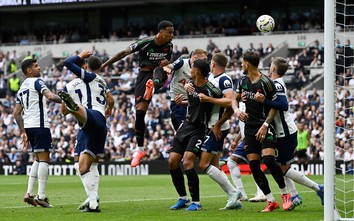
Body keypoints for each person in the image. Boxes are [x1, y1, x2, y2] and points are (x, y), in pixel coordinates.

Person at [101, 20, 174, 167]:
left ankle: (153, 86)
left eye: (173, 32)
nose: (172, 35)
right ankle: (140, 150)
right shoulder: (146, 42)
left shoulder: (169, 46)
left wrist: (166, 64)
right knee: (139, 114)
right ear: (161, 32)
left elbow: (167, 62)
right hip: (143, 76)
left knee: (159, 70)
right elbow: (123, 53)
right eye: (169, 32)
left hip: (159, 73)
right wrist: (104, 65)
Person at [254, 57, 324, 208]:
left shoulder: (277, 84)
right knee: (281, 166)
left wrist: (263, 101)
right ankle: (295, 196)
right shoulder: (275, 83)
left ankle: (318, 188)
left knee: (282, 169)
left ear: (273, 68)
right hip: (283, 131)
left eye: (271, 65)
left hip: (285, 132)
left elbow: (283, 105)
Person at [233, 51, 291, 212]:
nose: (241, 65)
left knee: (269, 160)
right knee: (253, 165)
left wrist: (265, 125)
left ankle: (285, 194)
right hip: (249, 128)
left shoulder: (266, 82)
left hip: (264, 125)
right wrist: (237, 110)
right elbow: (234, 99)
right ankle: (271, 200)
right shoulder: (242, 81)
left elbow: (274, 106)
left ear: (247, 64)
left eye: (242, 62)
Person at [59, 49, 114, 212]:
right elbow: (111, 100)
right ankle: (94, 197)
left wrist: (81, 55)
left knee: (81, 167)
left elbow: (63, 112)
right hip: (101, 124)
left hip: (89, 120)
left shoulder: (74, 83)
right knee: (92, 164)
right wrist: (109, 109)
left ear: (84, 67)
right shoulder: (102, 80)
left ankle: (76, 107)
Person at [168, 59, 222, 211]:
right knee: (172, 161)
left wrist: (218, 123)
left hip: (199, 129)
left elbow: (227, 102)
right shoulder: (190, 84)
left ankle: (196, 202)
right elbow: (194, 102)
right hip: (185, 126)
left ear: (197, 71)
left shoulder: (211, 89)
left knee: (187, 162)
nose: (190, 69)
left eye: (192, 68)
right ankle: (183, 199)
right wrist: (183, 102)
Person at [13, 58, 62, 208]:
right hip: (40, 125)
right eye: (36, 66)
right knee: (45, 159)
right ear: (29, 70)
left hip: (29, 127)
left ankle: (29, 193)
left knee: (37, 158)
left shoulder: (22, 88)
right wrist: (69, 101)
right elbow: (51, 96)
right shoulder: (37, 81)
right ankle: (41, 196)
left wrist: (23, 132)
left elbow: (16, 113)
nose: (39, 68)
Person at [196, 53, 242, 209]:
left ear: (213, 64)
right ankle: (235, 198)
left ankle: (233, 192)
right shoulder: (211, 79)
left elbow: (230, 102)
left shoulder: (224, 79)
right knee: (214, 165)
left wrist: (217, 124)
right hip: (211, 126)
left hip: (218, 127)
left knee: (203, 164)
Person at [228, 101, 266, 203]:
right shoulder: (240, 104)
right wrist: (236, 141)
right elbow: (243, 127)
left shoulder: (251, 101)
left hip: (255, 136)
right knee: (232, 162)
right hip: (245, 138)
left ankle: (262, 193)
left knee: (254, 164)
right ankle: (241, 193)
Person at [163, 49, 208, 130]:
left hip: (192, 100)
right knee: (182, 129)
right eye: (204, 59)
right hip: (178, 100)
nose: (205, 61)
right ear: (195, 57)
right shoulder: (182, 62)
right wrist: (167, 67)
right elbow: (170, 66)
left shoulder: (201, 69)